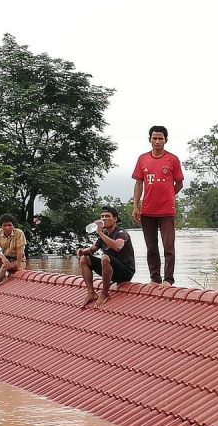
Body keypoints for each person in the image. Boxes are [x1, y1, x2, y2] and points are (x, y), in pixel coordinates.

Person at [132, 125, 184, 288]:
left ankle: (168, 279)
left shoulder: (172, 159)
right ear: (150, 140)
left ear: (165, 140)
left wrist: (169, 195)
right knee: (151, 247)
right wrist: (136, 205)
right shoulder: (143, 159)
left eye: (160, 138)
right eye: (154, 138)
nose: (157, 141)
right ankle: (155, 278)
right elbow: (139, 183)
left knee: (169, 245)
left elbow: (180, 183)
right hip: (147, 210)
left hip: (166, 211)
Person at [78, 205, 136, 308]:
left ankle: (104, 293)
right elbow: (92, 250)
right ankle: (91, 293)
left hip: (125, 272)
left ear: (115, 219)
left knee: (105, 257)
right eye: (102, 216)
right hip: (110, 269)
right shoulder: (104, 235)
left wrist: (100, 233)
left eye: (107, 216)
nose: (104, 219)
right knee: (84, 259)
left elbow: (118, 247)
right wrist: (82, 251)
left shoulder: (121, 233)